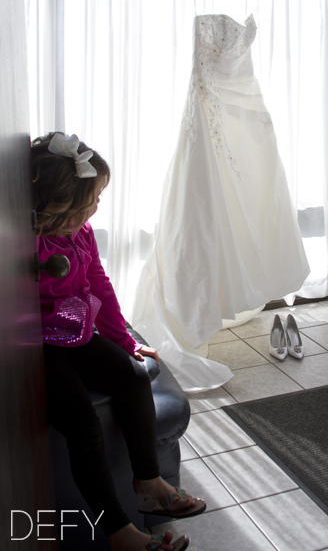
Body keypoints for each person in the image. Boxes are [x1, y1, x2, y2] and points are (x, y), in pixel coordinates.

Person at [32, 132, 206, 551]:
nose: (97, 206)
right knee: (81, 420)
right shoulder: (28, 243)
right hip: (34, 346)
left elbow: (99, 285)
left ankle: (147, 479)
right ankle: (119, 531)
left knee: (131, 376)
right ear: (62, 203)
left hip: (72, 331)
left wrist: (124, 341)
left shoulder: (82, 234)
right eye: (92, 198)